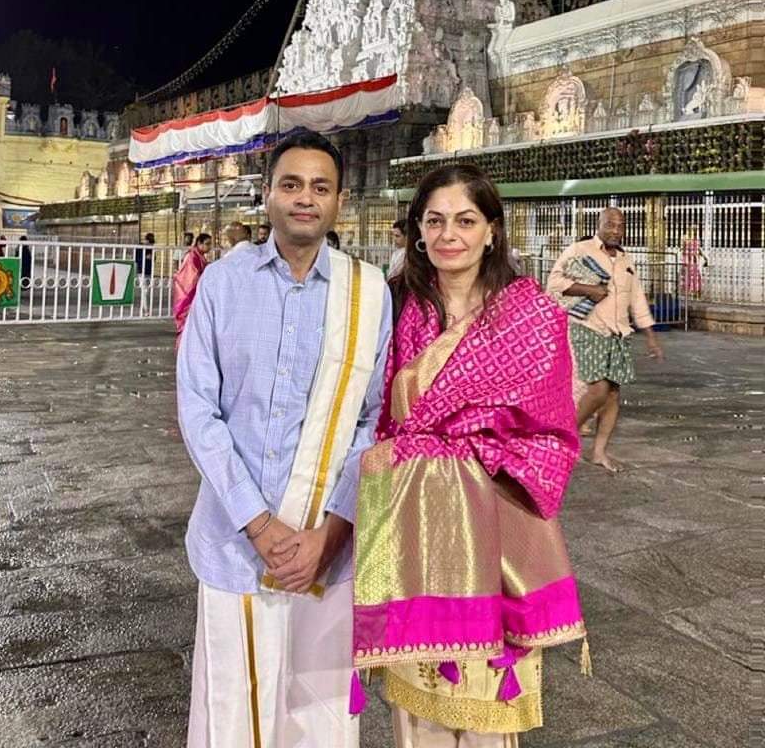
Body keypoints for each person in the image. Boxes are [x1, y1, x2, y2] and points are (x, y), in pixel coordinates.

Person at [352, 164, 586, 748]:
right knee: (419, 697)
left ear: (492, 230)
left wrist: (474, 452)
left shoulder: (527, 314)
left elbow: (552, 428)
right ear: (416, 230)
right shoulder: (395, 307)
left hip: (491, 518)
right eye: (433, 221)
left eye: (465, 220)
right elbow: (369, 405)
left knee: (486, 702)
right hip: (412, 519)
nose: (447, 235)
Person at [177, 132, 392, 748]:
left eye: (320, 188)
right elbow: (198, 409)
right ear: (267, 193)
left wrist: (331, 531)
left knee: (318, 712)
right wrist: (259, 524)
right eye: (291, 184)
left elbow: (373, 421)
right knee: (234, 711)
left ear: (340, 202)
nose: (305, 199)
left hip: (325, 548)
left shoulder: (367, 293)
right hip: (236, 541)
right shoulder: (223, 283)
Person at [547, 207, 664, 473]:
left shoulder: (626, 260)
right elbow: (553, 282)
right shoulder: (580, 250)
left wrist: (651, 338)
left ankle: (599, 452)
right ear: (598, 224)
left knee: (612, 395)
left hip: (618, 333)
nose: (615, 230)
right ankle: (564, 437)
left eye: (620, 226)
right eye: (610, 224)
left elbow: (637, 300)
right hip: (587, 328)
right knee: (598, 389)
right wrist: (587, 289)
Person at [173, 233, 212, 345]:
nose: (209, 247)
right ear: (199, 243)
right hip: (187, 292)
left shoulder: (199, 255)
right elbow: (191, 276)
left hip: (194, 291)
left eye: (210, 244)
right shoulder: (192, 256)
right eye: (207, 244)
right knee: (187, 319)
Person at [680, 226, 707, 298]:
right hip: (688, 260)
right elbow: (683, 249)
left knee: (696, 276)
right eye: (694, 230)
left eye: (696, 230)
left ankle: (696, 293)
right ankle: (689, 293)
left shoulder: (696, 239)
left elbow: (698, 249)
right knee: (688, 276)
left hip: (694, 260)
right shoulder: (685, 238)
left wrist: (704, 256)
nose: (695, 232)